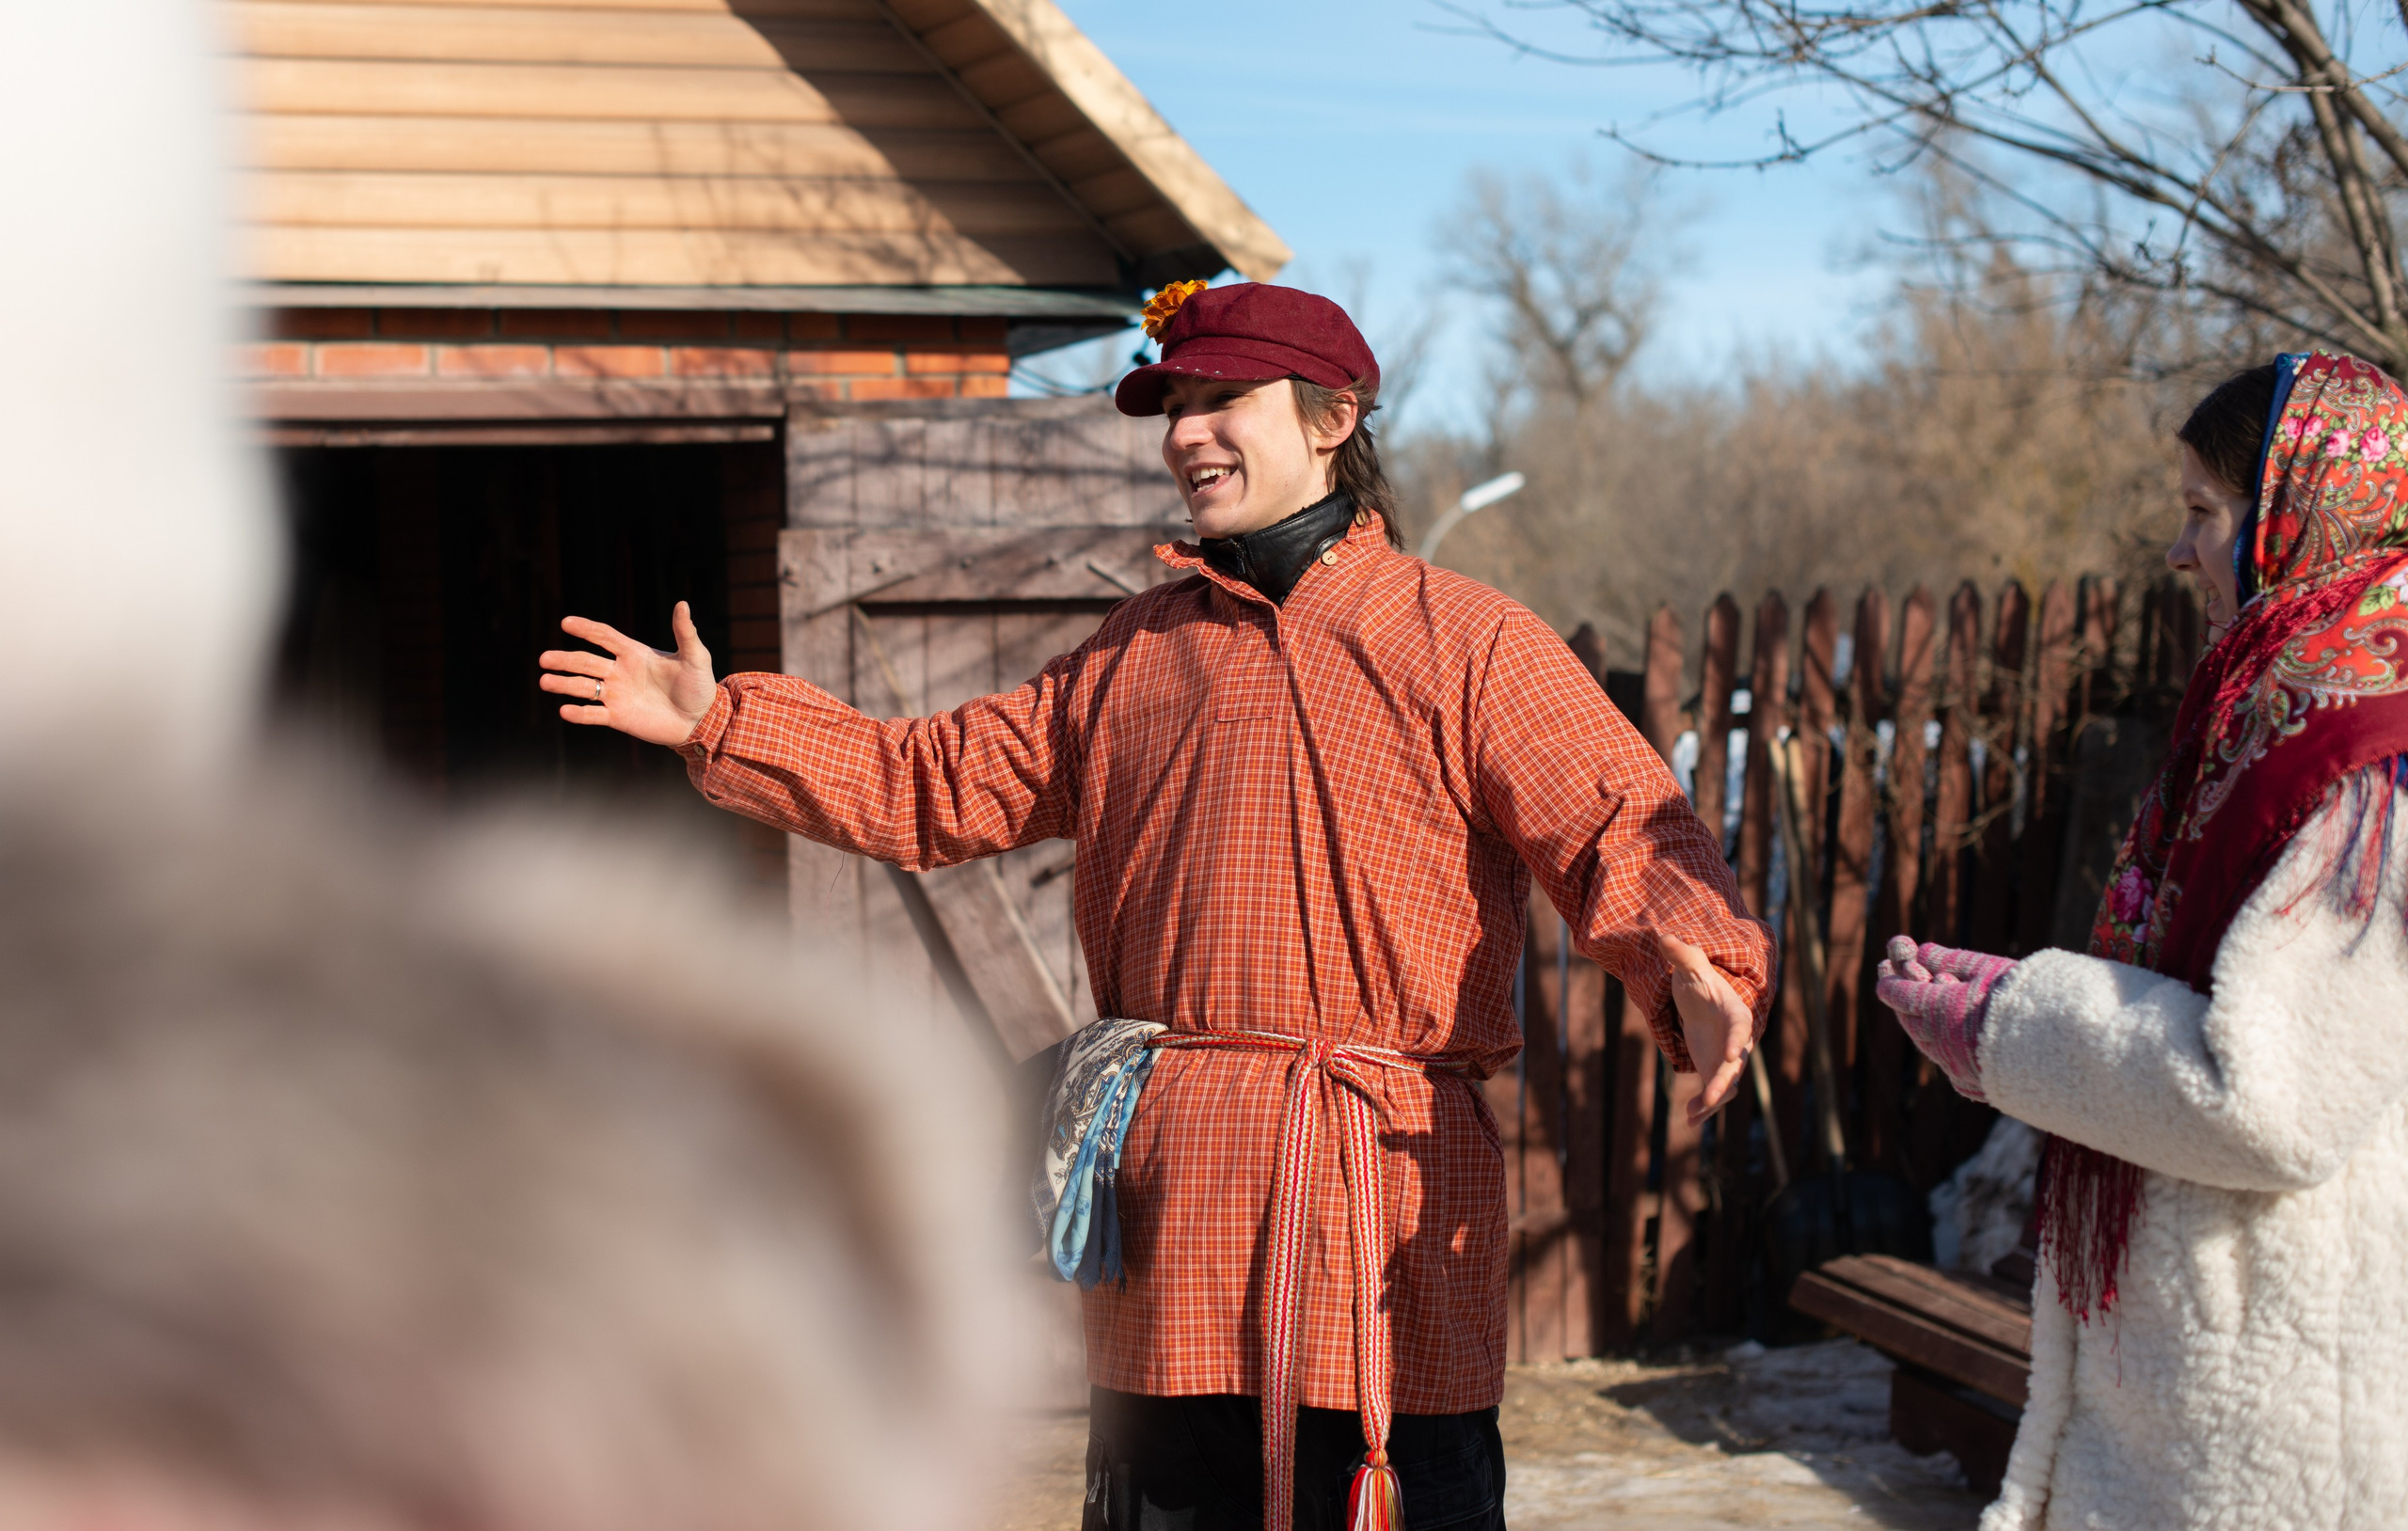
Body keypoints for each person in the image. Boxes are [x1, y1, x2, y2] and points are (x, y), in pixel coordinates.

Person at [539, 281, 1777, 1531]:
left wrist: (1697, 966)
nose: (1186, 435)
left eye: (1220, 402)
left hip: (1386, 1202)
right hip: (1178, 1214)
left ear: (1334, 416)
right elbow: (929, 784)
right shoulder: (1130, 656)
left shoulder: (1466, 642)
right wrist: (720, 721)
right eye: (1173, 408)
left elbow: (1621, 819)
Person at [1876, 351, 2408, 1530]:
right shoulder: (2283, 716)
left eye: (2202, 512)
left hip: (2278, 1409)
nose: (2176, 551)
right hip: (2211, 1372)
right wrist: (2013, 997)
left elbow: (2269, 1096)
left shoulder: (2366, 763)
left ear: (2303, 511)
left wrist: (2010, 1028)